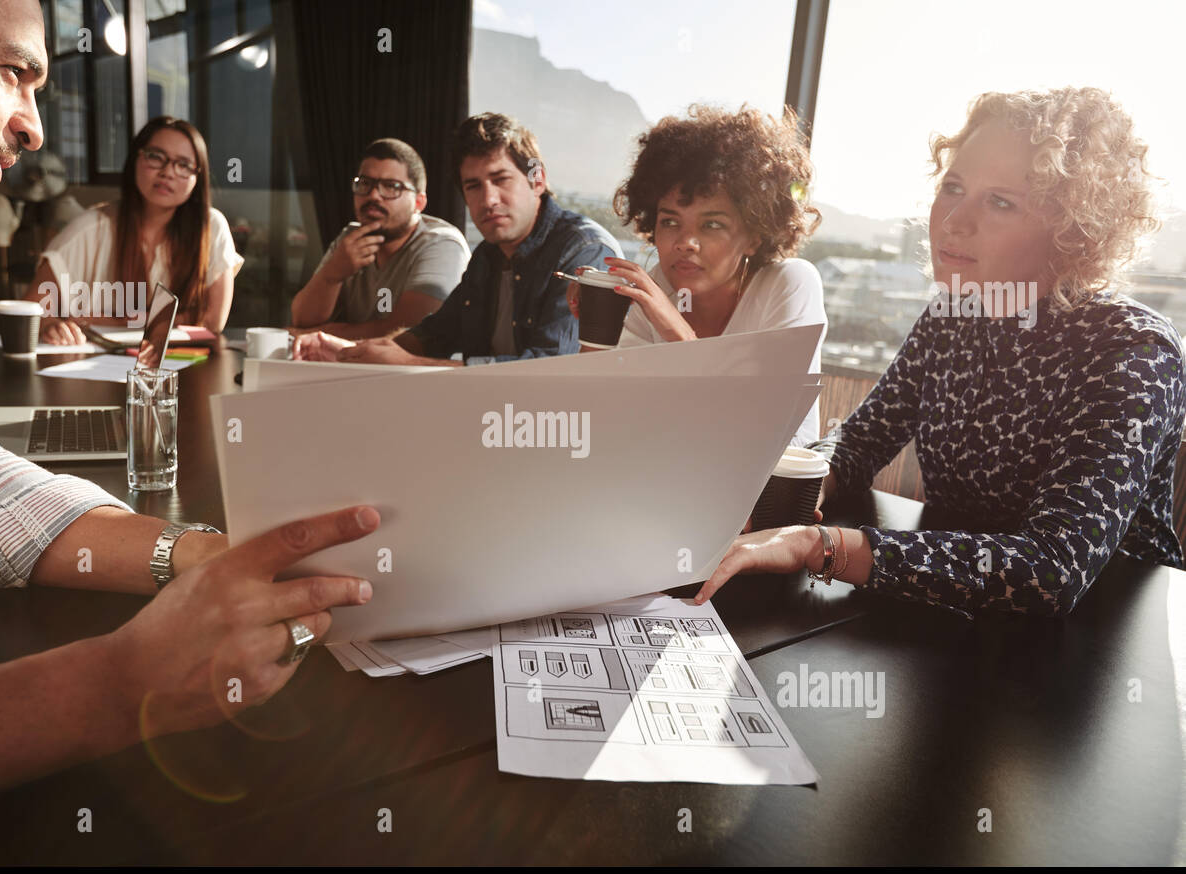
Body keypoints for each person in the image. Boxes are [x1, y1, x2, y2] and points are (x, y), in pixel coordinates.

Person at [0, 0, 376, 837]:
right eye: (13, 72)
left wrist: (205, 554)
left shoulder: (209, 233)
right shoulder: (99, 227)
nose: (35, 128)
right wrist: (118, 685)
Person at [695, 87, 1185, 619]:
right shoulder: (951, 316)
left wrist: (820, 546)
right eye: (953, 187)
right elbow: (862, 438)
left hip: (1104, 648)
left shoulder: (1133, 350)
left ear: (1072, 228)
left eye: (1001, 201)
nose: (952, 222)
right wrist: (803, 482)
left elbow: (1051, 570)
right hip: (959, 620)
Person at [568, 104, 825, 448]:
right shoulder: (657, 285)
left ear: (754, 235)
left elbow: (770, 441)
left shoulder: (789, 285)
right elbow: (600, 421)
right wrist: (594, 332)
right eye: (670, 222)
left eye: (712, 225)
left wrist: (680, 339)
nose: (685, 243)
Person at [294, 112, 622, 366]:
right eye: (474, 186)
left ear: (537, 180)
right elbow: (435, 334)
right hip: (487, 419)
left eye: (500, 179)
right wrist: (350, 353)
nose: (488, 199)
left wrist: (410, 364)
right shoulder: (488, 254)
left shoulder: (585, 250)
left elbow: (550, 370)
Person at [33, 115, 243, 341]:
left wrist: (104, 319)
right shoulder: (91, 228)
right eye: (156, 157)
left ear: (197, 177)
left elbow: (212, 324)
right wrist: (53, 326)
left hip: (184, 364)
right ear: (135, 159)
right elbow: (32, 311)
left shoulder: (210, 227)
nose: (168, 172)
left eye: (183, 165)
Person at [290, 138, 468, 339]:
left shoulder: (442, 244)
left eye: (391, 186)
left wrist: (320, 334)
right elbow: (302, 320)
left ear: (419, 202)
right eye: (365, 183)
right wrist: (332, 274)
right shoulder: (351, 238)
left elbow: (409, 332)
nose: (374, 195)